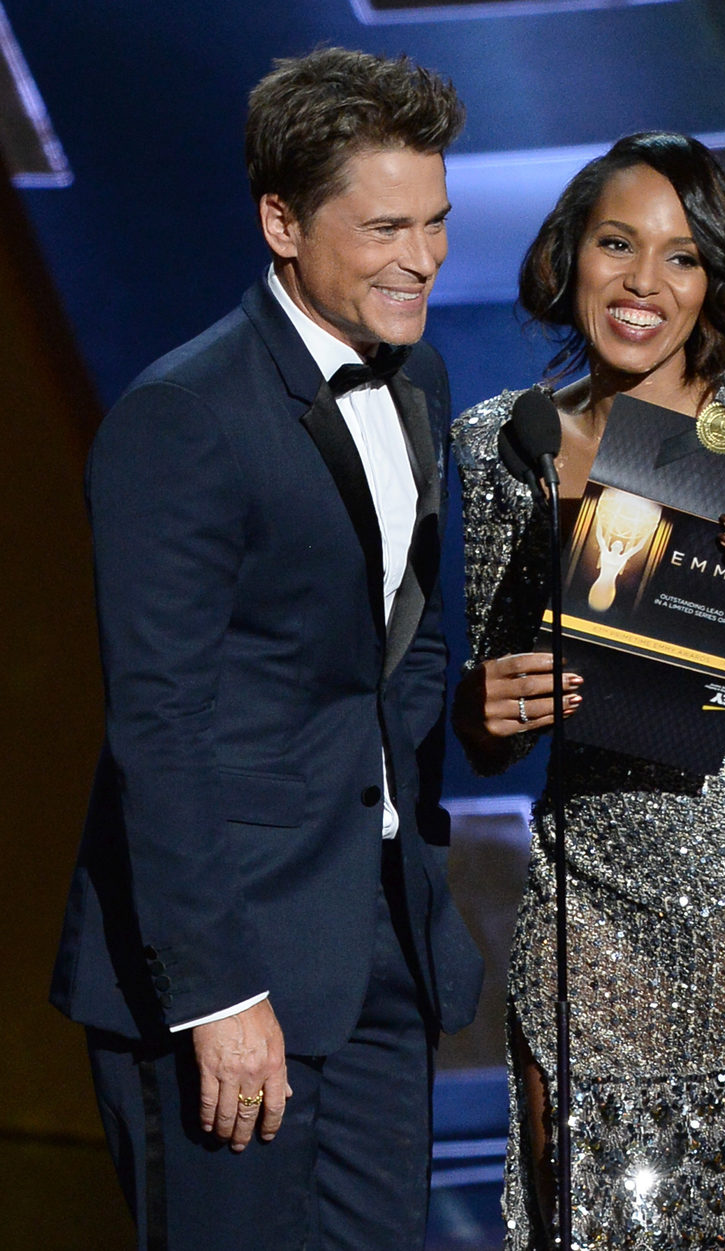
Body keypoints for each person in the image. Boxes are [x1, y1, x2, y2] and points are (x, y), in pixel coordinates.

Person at [50, 46, 482, 1251]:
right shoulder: (183, 417)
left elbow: (408, 631)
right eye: (386, 225)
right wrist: (218, 993)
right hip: (230, 976)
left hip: (380, 945)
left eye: (437, 223)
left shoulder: (420, 378)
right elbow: (159, 724)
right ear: (281, 223)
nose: (423, 258)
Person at [451, 132, 725, 1248]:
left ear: (712, 284)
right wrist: (479, 706)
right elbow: (492, 723)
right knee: (584, 1216)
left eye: (681, 258)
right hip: (587, 905)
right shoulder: (505, 443)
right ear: (567, 256)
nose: (644, 284)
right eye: (616, 244)